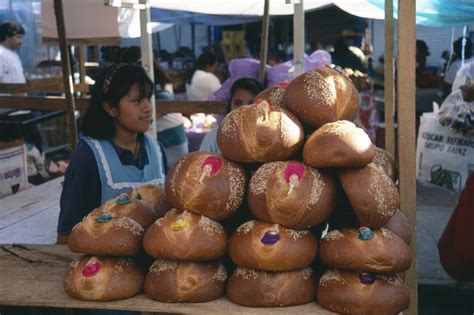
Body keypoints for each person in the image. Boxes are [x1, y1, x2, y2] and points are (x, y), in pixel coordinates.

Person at [57, 64, 167, 244]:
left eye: (149, 98)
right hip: (104, 263)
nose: (148, 108)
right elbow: (67, 234)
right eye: (137, 101)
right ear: (110, 108)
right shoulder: (88, 157)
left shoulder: (157, 150)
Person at [120, 46, 189, 168]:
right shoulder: (159, 77)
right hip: (174, 134)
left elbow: (160, 106)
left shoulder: (149, 79)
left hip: (168, 136)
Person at [199, 78, 264, 153]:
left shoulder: (268, 138)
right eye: (238, 103)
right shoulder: (214, 137)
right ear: (230, 105)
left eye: (251, 104)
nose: (243, 109)